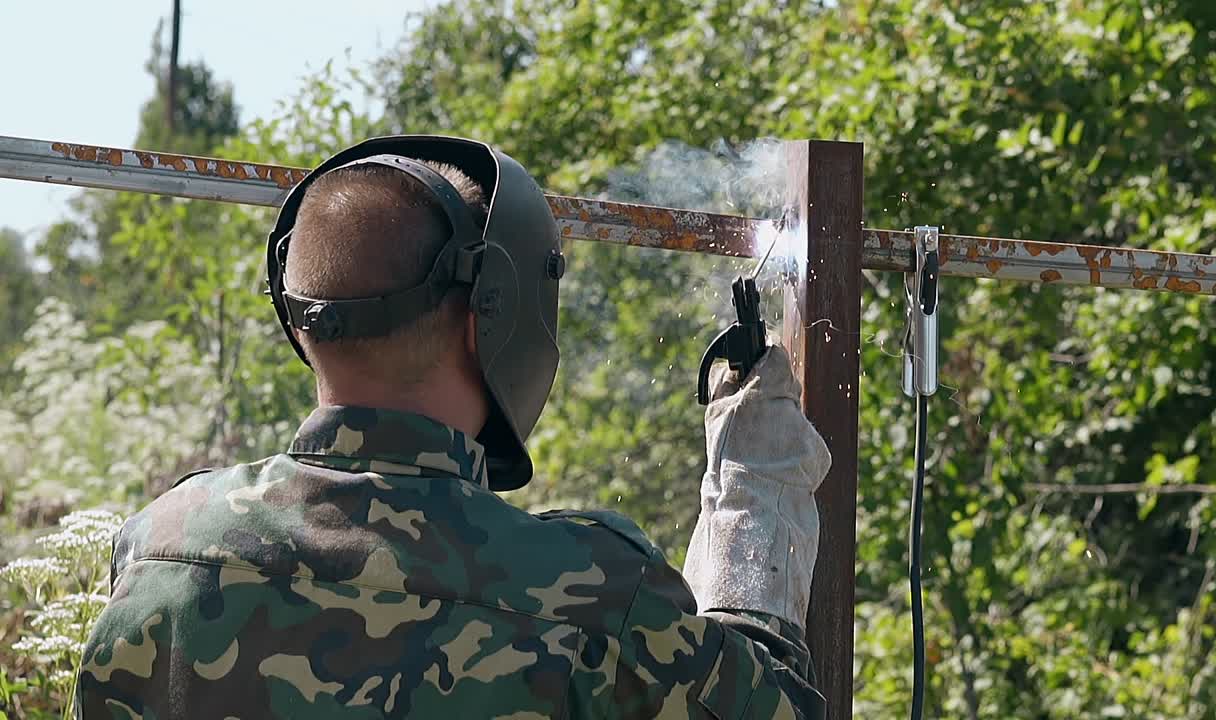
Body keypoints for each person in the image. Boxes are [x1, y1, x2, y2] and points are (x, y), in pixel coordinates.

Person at [76, 136, 832, 719]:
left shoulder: (160, 554)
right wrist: (751, 491)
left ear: (298, 317)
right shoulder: (593, 599)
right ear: (489, 313)